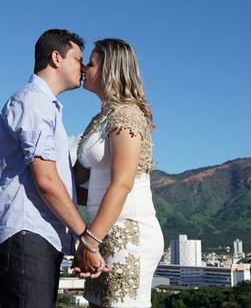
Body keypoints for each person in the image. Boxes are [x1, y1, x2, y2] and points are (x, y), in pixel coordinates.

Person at [0, 29, 107, 308]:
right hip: (27, 233)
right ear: (57, 58)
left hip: (42, 236)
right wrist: (86, 236)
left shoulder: (48, 107)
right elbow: (46, 180)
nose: (82, 68)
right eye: (78, 59)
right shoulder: (33, 101)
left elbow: (62, 184)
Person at [74, 38, 164, 308]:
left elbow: (122, 183)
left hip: (128, 233)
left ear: (109, 70)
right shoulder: (100, 118)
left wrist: (90, 241)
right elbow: (75, 181)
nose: (83, 69)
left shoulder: (127, 116)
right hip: (101, 232)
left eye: (90, 64)